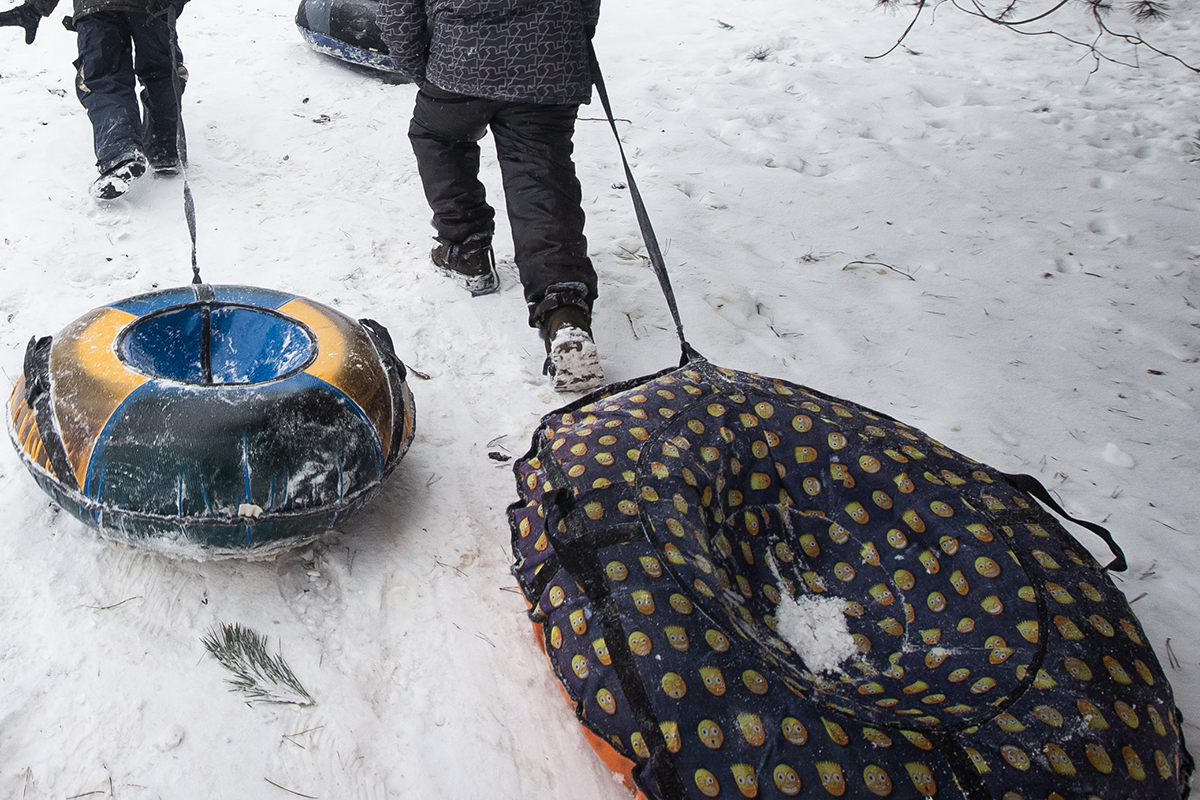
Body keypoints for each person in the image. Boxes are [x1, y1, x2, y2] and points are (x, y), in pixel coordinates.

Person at [376, 0, 605, 393]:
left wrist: (421, 66)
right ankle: (564, 312)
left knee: (438, 136)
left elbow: (397, 11)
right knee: (540, 174)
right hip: (550, 55)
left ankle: (466, 250)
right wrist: (569, 36)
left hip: (462, 57)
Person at [1, 0, 187, 200]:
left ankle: (121, 150)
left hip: (97, 7)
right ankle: (165, 148)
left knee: (103, 78)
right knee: (162, 73)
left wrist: (35, 8)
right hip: (154, 6)